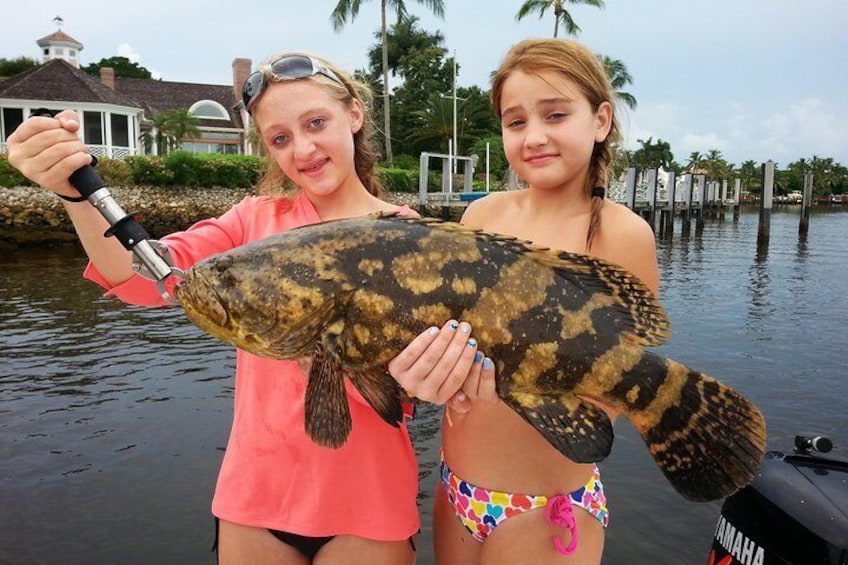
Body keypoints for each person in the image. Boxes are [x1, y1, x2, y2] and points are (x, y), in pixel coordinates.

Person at [7, 51, 478, 565]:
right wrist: (77, 195)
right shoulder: (252, 221)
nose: (303, 148)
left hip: (369, 502)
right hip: (254, 500)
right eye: (280, 138)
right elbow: (149, 278)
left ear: (355, 115)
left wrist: (428, 382)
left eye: (316, 122)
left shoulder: (417, 240)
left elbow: (417, 386)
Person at [391, 38, 661, 564]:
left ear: (600, 120)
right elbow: (451, 335)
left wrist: (526, 390)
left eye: (555, 114)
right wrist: (443, 377)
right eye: (515, 123)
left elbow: (627, 379)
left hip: (546, 507)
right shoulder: (481, 217)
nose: (534, 136)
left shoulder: (621, 233)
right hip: (456, 489)